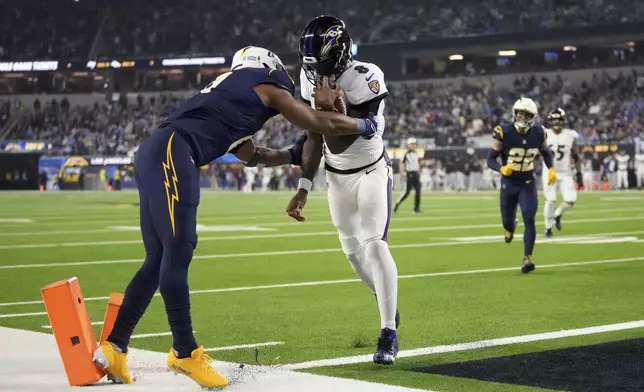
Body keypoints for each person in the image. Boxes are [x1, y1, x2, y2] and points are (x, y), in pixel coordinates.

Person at [93, 46, 378, 388]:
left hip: (157, 150)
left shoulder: (230, 95)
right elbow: (319, 122)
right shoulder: (263, 84)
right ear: (266, 65)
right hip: (174, 150)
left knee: (157, 259)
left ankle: (114, 346)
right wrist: (365, 123)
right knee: (179, 248)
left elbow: (253, 154)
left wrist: (292, 154)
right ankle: (184, 352)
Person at [287, 15, 400, 365]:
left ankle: (388, 333)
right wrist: (304, 186)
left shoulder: (366, 75)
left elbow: (364, 128)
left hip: (370, 171)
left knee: (374, 243)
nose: (315, 70)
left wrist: (332, 109)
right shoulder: (310, 81)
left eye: (320, 62)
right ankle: (388, 304)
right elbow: (314, 136)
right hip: (336, 175)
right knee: (352, 253)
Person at [486, 98, 556, 273]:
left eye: (527, 115)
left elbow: (546, 153)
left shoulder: (539, 133)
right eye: (520, 113)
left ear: (533, 117)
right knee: (507, 221)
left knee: (529, 217)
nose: (523, 117)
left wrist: (552, 168)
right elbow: (490, 159)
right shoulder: (504, 131)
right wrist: (502, 169)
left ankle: (527, 258)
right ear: (515, 113)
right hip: (509, 183)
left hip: (527, 182)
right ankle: (510, 228)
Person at [542, 108, 583, 237]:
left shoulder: (570, 135)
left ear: (563, 120)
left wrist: (579, 173)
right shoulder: (544, 134)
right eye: (554, 119)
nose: (556, 122)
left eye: (559, 119)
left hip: (566, 172)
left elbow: (576, 156)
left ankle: (557, 214)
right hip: (550, 172)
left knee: (571, 200)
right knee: (550, 200)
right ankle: (548, 228)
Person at [394, 137, 422, 213]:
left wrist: (419, 173)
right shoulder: (405, 153)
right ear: (408, 145)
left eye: (414, 144)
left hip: (415, 173)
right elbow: (402, 163)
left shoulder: (416, 153)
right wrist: (402, 173)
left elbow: (418, 164)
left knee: (418, 191)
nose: (413, 145)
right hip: (409, 174)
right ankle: (397, 203)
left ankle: (416, 208)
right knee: (407, 192)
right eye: (411, 144)